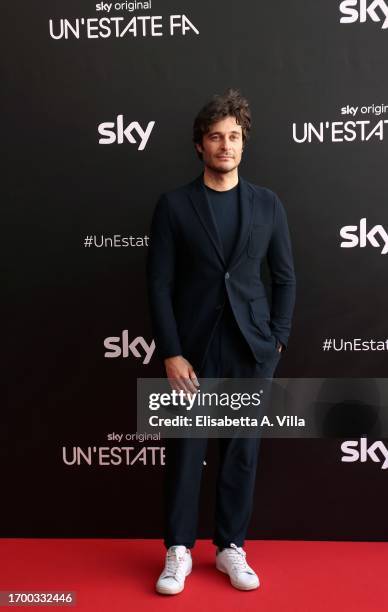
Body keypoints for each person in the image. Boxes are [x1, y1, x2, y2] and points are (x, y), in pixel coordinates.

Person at [146, 88, 296, 594]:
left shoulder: (268, 204)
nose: (225, 145)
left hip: (252, 350)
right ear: (200, 145)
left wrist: (277, 340)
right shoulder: (173, 205)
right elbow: (159, 284)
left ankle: (231, 547)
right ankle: (179, 550)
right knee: (186, 452)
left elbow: (285, 278)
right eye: (215, 137)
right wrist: (170, 351)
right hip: (192, 350)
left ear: (243, 144)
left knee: (241, 454)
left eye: (233, 137)